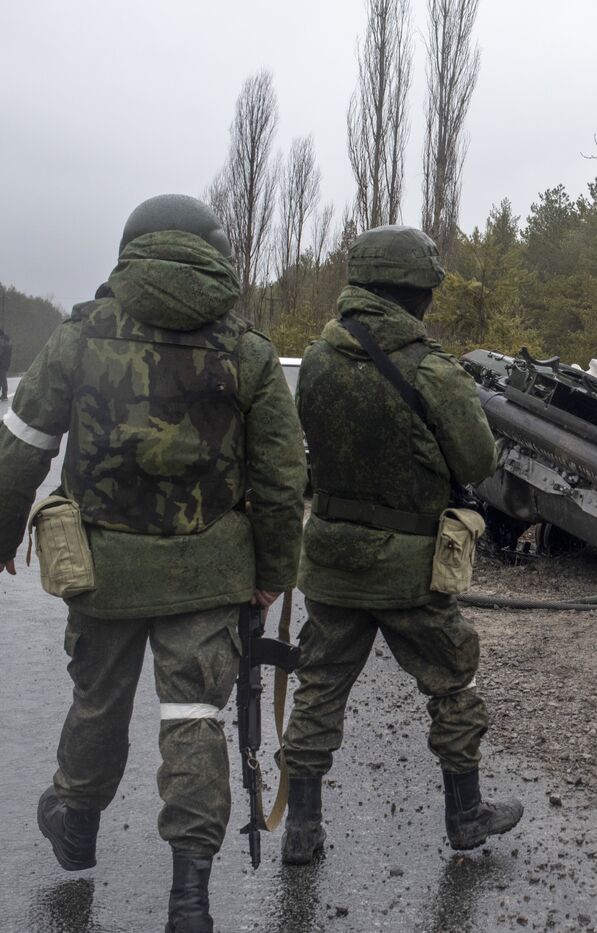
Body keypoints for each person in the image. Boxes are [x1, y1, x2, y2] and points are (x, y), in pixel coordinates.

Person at [0, 194, 306, 933]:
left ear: (131, 249)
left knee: (97, 700)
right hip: (209, 576)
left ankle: (76, 820)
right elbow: (281, 474)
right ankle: (189, 899)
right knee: (195, 717)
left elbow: (24, 446)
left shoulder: (80, 335)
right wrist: (273, 572)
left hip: (101, 569)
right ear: (214, 253)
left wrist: (4, 534)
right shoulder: (249, 351)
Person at [279, 224, 521, 864]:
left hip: (330, 559)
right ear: (415, 291)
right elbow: (475, 461)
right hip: (410, 568)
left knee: (319, 690)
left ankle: (300, 831)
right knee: (450, 684)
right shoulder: (432, 370)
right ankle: (465, 814)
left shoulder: (319, 360)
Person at [0, 326, 12, 400]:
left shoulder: (1, 342)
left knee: (2, 379)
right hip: (6, 363)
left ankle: (4, 396)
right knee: (2, 378)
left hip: (1, 363)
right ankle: (4, 395)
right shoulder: (7, 341)